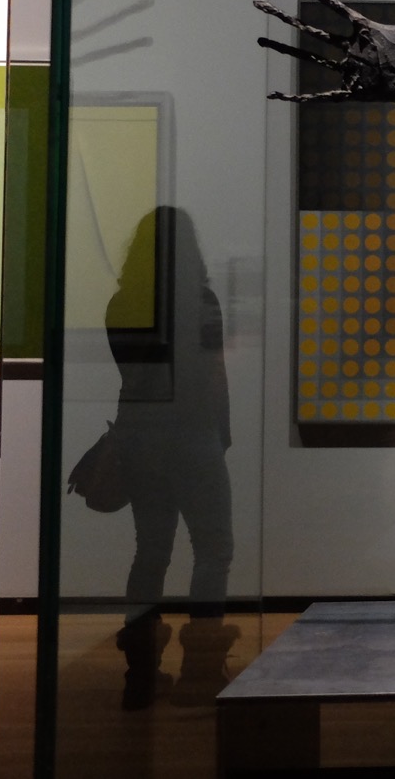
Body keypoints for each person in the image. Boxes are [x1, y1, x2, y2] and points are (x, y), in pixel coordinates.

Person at [107, 206, 236, 709]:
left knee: (151, 551)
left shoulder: (122, 303)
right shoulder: (201, 302)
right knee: (213, 547)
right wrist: (222, 434)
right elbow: (213, 373)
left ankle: (139, 675)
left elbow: (131, 375)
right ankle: (200, 670)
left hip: (141, 438)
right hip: (194, 433)